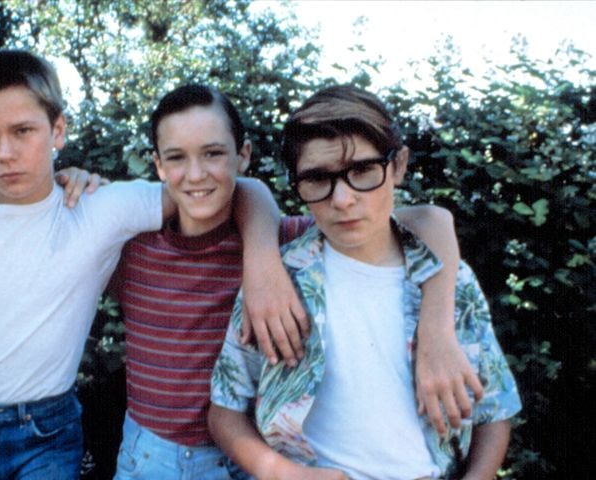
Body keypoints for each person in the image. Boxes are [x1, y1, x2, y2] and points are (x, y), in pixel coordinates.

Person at [0, 50, 300, 480]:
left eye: (23, 131)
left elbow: (228, 188)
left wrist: (262, 262)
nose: (6, 153)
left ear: (58, 129)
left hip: (44, 435)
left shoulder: (100, 207)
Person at [110, 84, 482, 479]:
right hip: (150, 457)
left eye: (214, 153)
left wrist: (438, 332)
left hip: (248, 460)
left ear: (244, 156)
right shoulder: (130, 249)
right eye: (177, 158)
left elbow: (431, 220)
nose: (196, 174)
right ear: (158, 166)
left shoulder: (290, 243)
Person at [209, 85, 522, 480]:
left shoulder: (451, 280)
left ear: (398, 166)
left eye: (362, 171)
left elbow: (494, 410)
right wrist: (282, 473)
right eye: (317, 178)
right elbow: (225, 409)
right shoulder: (279, 282)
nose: (342, 199)